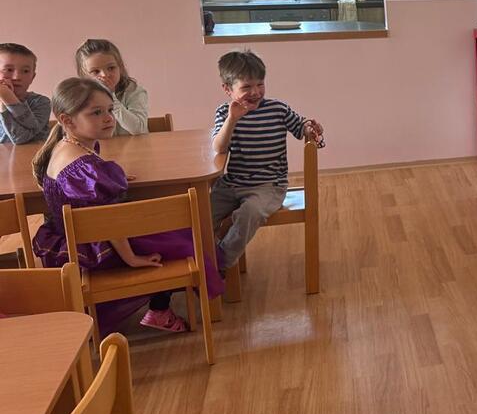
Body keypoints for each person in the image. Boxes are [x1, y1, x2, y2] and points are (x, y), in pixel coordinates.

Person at [31, 77, 224, 334]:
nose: (108, 118)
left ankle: (164, 303)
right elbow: (108, 222)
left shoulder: (66, 147)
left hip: (76, 239)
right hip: (93, 250)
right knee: (180, 238)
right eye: (96, 113)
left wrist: (110, 177)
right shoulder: (84, 168)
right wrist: (131, 258)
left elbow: (89, 195)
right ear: (67, 120)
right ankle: (160, 309)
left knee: (169, 232)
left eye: (110, 110)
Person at [210, 50, 323, 271]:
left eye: (260, 84)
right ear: (227, 89)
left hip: (269, 186)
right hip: (233, 183)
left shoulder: (277, 109)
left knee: (248, 213)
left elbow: (300, 126)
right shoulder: (224, 112)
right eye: (246, 87)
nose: (255, 92)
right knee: (201, 213)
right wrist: (232, 119)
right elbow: (219, 147)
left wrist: (310, 128)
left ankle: (219, 264)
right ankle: (203, 257)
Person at [75, 38, 150, 135]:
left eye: (111, 68)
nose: (104, 75)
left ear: (120, 67)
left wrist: (111, 98)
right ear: (84, 76)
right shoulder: (81, 98)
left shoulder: (134, 92)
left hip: (136, 144)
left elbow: (138, 130)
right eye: (96, 71)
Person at [0, 42, 50, 144]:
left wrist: (7, 99)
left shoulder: (41, 102)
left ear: (32, 77)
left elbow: (20, 138)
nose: (17, 77)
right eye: (9, 69)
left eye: (25, 71)